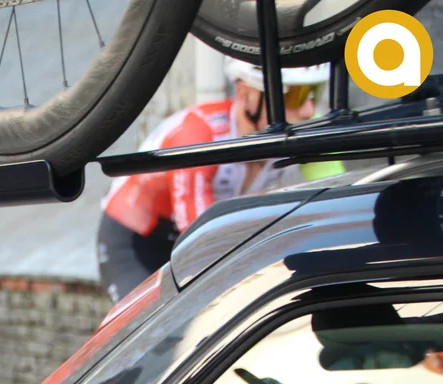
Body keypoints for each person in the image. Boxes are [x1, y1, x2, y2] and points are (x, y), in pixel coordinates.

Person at [97, 59, 332, 303]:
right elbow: (201, 235)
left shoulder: (292, 127)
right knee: (156, 319)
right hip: (136, 242)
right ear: (248, 95)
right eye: (295, 96)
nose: (308, 110)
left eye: (314, 93)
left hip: (190, 235)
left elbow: (331, 196)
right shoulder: (200, 134)